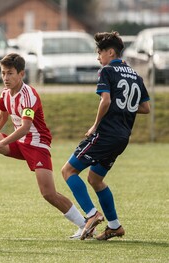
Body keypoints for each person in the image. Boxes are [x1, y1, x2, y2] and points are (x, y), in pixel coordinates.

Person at [0, 53, 87, 239]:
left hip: (37, 145)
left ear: (21, 74)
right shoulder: (5, 93)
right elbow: (3, 116)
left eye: (10, 73)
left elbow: (26, 128)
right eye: (3, 73)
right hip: (18, 143)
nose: (5, 78)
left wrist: (0, 142)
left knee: (48, 193)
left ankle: (84, 225)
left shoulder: (29, 95)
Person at [61, 31, 150, 241]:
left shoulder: (107, 71)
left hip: (106, 133)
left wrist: (94, 125)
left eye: (100, 52)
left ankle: (92, 215)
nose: (98, 57)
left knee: (68, 171)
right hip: (122, 137)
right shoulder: (135, 75)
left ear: (111, 52)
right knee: (95, 179)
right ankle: (115, 226)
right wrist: (125, 107)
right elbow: (145, 108)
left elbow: (106, 101)